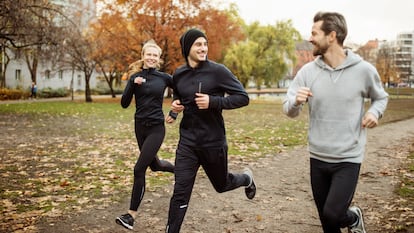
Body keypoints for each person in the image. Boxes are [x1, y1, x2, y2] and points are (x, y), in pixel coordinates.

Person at [283, 12, 388, 233]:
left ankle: (353, 218)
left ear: (332, 36)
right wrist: (295, 102)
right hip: (318, 156)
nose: (310, 38)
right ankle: (349, 220)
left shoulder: (363, 70)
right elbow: (289, 109)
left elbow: (380, 97)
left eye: (314, 33)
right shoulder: (308, 72)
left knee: (334, 213)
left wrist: (375, 113)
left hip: (348, 158)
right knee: (327, 222)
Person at [164, 28, 256, 233]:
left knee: (221, 185)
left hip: (213, 142)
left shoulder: (218, 71)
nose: (203, 48)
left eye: (205, 44)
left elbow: (243, 97)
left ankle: (246, 178)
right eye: (198, 44)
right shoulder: (179, 74)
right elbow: (179, 97)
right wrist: (175, 109)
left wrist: (213, 101)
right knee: (180, 192)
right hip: (187, 142)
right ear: (187, 48)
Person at [116, 41, 176, 230]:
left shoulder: (165, 78)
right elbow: (124, 103)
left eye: (155, 55)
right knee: (156, 165)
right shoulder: (135, 77)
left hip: (156, 128)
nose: (151, 58)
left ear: (159, 59)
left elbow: (181, 93)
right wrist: (132, 85)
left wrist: (174, 113)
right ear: (143, 55)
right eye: (148, 54)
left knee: (138, 169)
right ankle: (182, 170)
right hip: (139, 127)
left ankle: (131, 216)